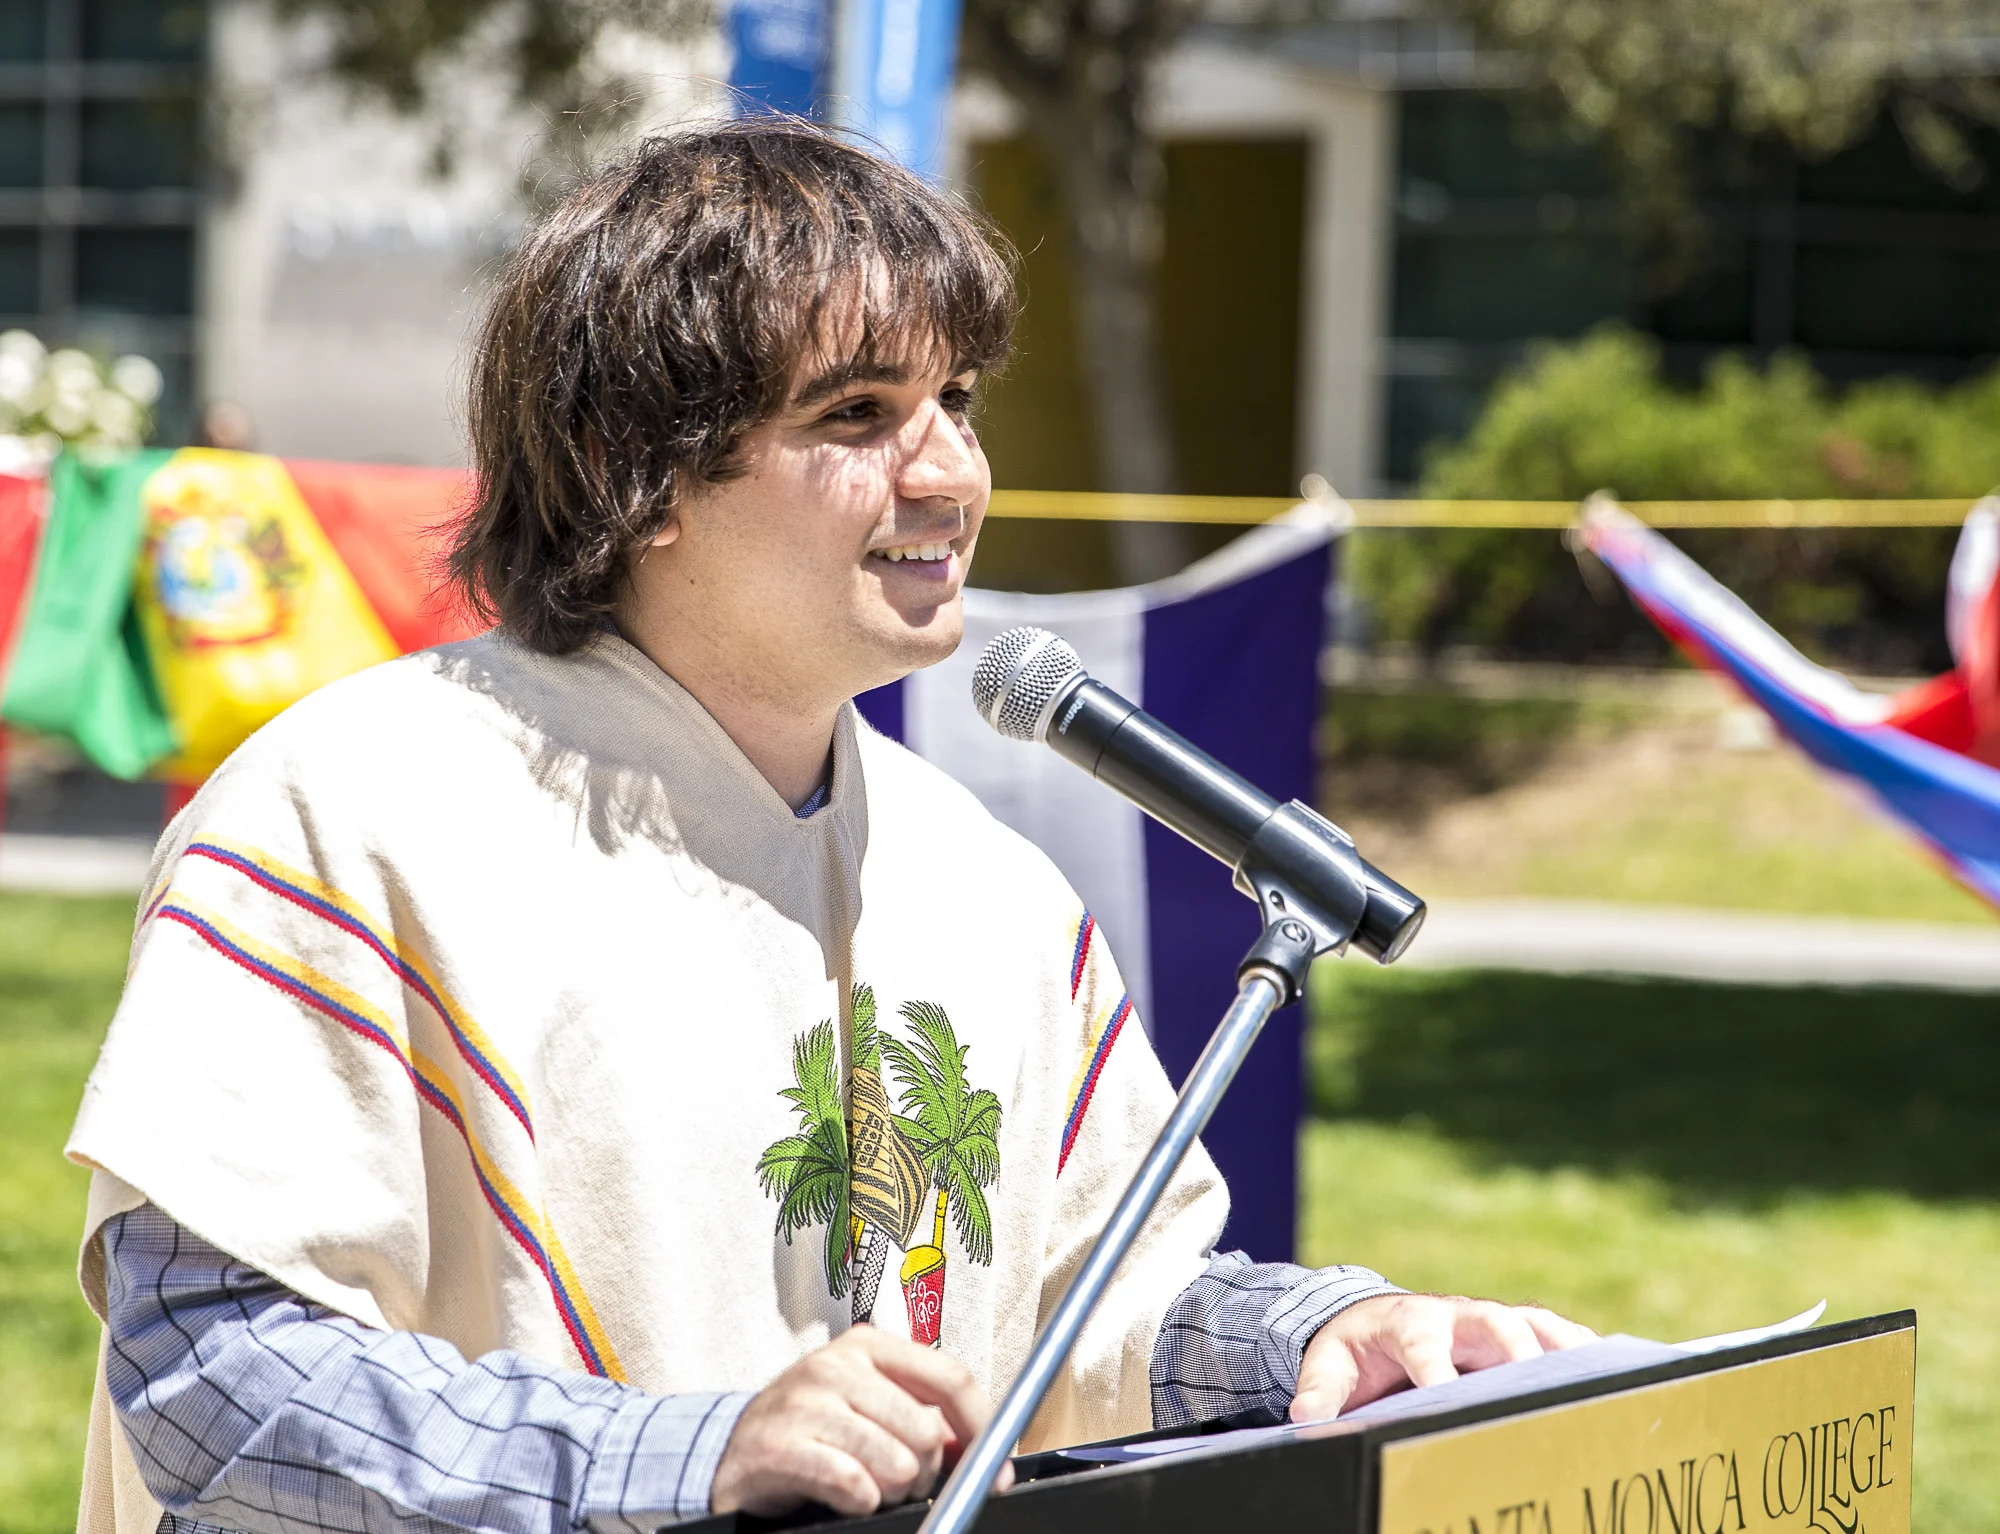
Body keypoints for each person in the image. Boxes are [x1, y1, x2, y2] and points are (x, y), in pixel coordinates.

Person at [67, 121, 1593, 1534]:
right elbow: (220, 1378)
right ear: (633, 470)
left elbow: (1087, 1305)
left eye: (958, 403)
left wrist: (1321, 1332)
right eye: (858, 414)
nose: (951, 471)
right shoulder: (355, 806)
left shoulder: (985, 880)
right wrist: (698, 1453)